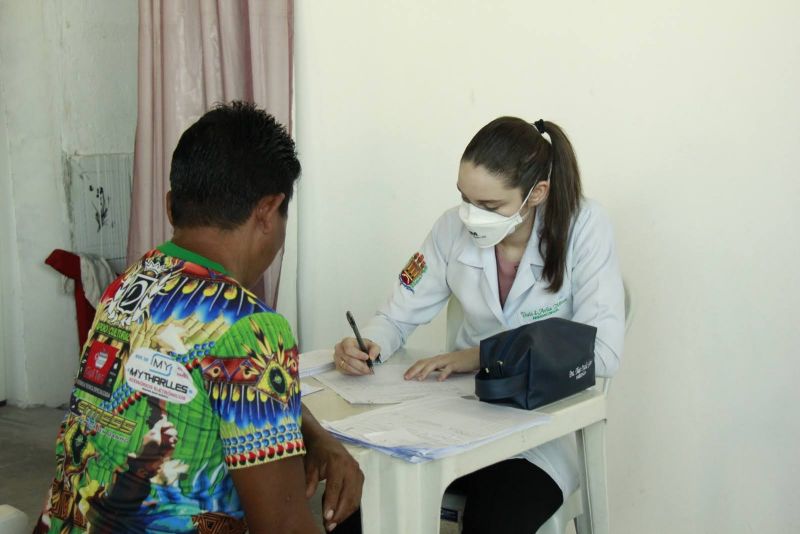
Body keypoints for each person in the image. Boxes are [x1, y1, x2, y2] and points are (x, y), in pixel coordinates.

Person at [36, 102, 363, 534]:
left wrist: (315, 434)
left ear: (171, 207)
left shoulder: (131, 284)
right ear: (268, 210)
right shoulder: (250, 325)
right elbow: (281, 525)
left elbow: (207, 385)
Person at [334, 116, 624, 533]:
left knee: (495, 520)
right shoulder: (451, 228)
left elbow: (602, 352)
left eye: (489, 207)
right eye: (464, 199)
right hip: (457, 417)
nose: (471, 217)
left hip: (539, 431)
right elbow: (397, 314)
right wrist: (368, 343)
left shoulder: (585, 226)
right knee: (356, 510)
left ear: (536, 194)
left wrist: (480, 357)